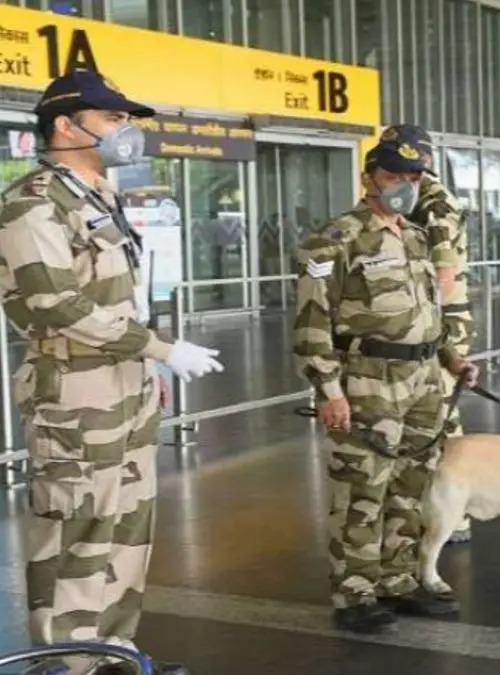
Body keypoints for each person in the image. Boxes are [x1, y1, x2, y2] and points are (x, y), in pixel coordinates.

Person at [0, 69, 225, 674]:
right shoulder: (31, 203)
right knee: (79, 530)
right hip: (74, 393)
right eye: (112, 119)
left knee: (128, 528)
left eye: (126, 120)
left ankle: (112, 650)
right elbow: (57, 304)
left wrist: (144, 360)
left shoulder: (100, 199)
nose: (126, 131)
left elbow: (117, 298)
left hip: (124, 385)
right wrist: (158, 347)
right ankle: (68, 662)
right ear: (65, 127)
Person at [292, 132, 480, 633]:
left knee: (411, 486)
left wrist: (453, 359)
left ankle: (398, 580)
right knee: (362, 488)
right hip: (367, 381)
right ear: (369, 177)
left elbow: (427, 312)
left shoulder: (416, 237)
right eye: (395, 176)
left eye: (414, 178)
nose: (406, 187)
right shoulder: (334, 240)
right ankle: (354, 591)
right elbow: (312, 324)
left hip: (423, 379)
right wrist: (328, 390)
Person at [380, 124, 476, 546]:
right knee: (427, 407)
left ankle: (453, 514)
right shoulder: (412, 195)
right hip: (425, 310)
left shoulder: (435, 203)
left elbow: (443, 270)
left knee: (439, 411)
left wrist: (420, 315)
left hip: (440, 312)